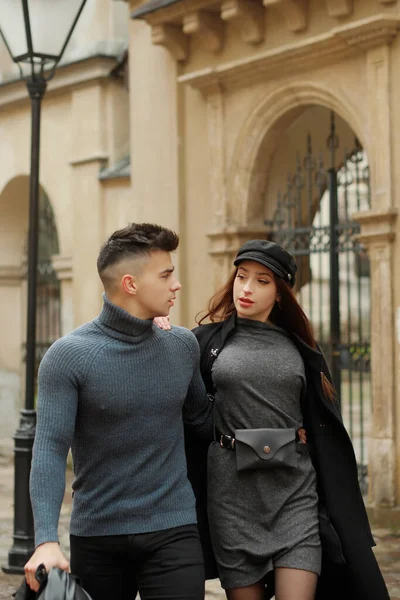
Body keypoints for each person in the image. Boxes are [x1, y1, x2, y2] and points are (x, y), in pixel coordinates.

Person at [156, 239, 389, 600]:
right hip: (231, 500)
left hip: (293, 496)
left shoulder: (301, 347)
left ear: (280, 293)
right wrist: (160, 335)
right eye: (242, 277)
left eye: (262, 281)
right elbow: (187, 407)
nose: (246, 289)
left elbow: (321, 419)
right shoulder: (202, 343)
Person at [24, 223, 214, 600]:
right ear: (130, 284)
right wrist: (45, 539)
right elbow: (48, 449)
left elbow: (204, 423)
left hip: (173, 528)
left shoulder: (181, 347)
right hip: (97, 535)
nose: (176, 284)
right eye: (166, 274)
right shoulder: (67, 356)